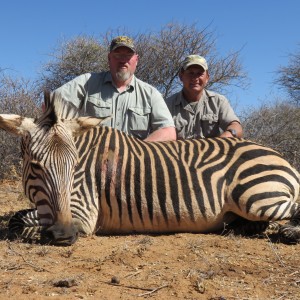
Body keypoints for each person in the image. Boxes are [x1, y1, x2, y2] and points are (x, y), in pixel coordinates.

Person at [54, 36, 176, 142]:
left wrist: (137, 151)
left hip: (132, 163)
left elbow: (168, 132)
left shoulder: (150, 93)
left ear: (136, 60)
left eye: (128, 55)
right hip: (91, 160)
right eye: (117, 55)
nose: (123, 60)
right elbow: (50, 104)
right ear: (109, 58)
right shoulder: (87, 82)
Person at [166, 55, 243, 140]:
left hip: (212, 151)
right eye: (190, 73)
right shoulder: (167, 105)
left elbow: (236, 127)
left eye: (200, 74)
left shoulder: (218, 101)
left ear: (207, 77)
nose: (195, 78)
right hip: (179, 153)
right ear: (181, 76)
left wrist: (222, 140)